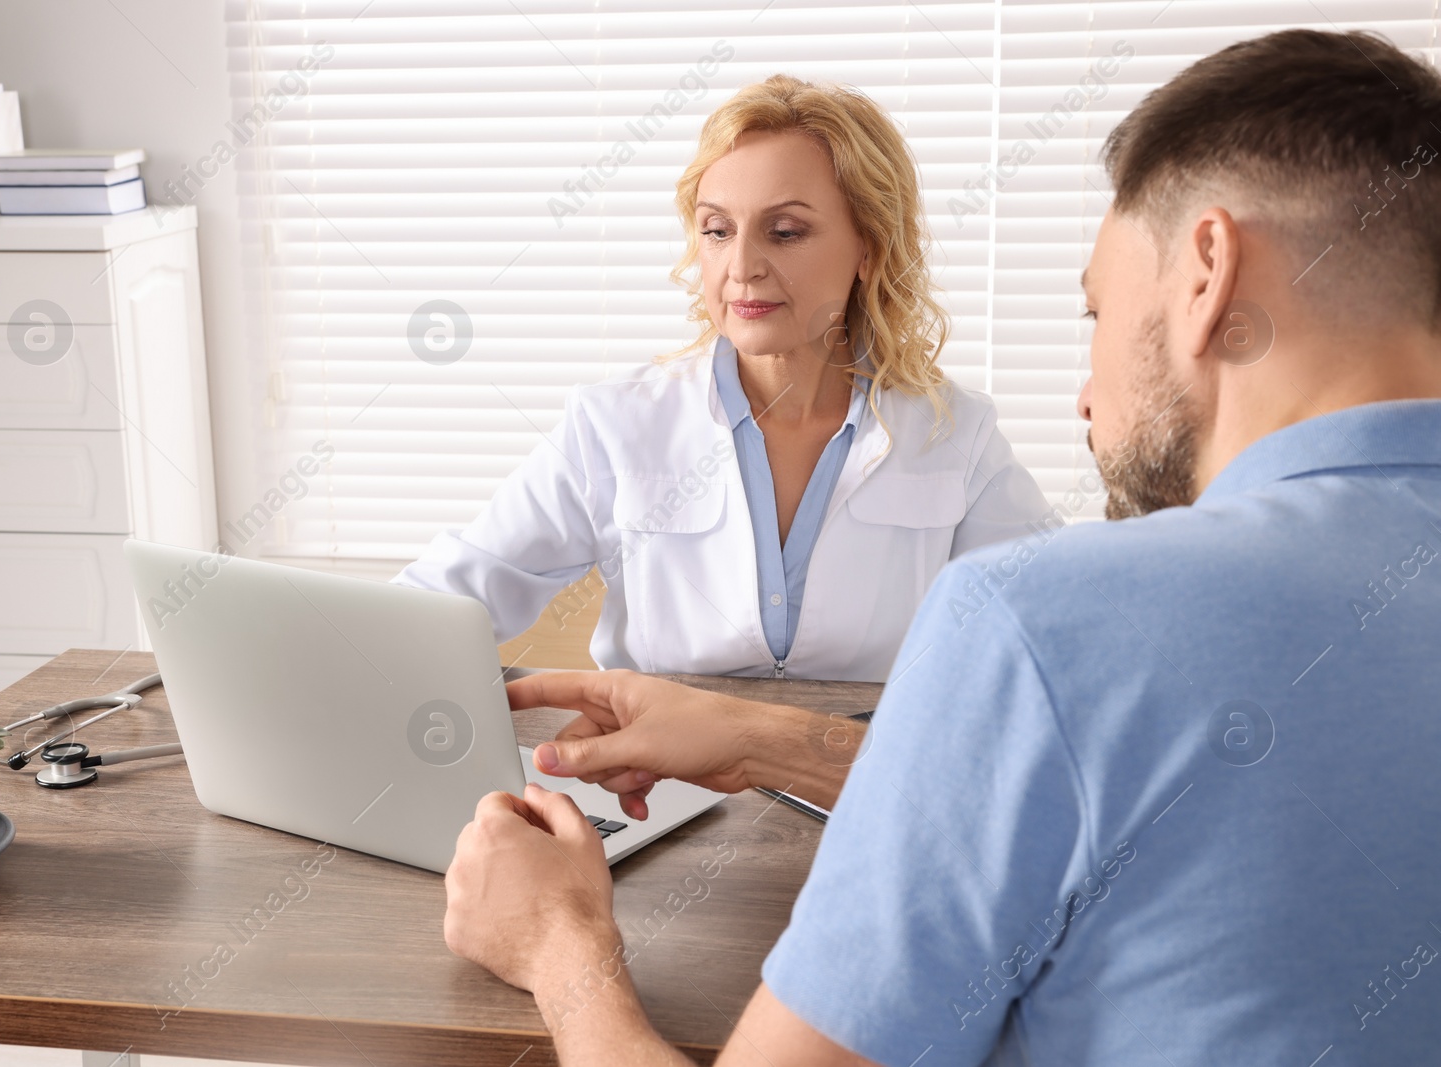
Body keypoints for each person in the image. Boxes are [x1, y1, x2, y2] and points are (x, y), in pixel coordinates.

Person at [441, 29, 1441, 1065]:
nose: (1086, 394)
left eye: (1097, 307)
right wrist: (763, 739)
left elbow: (1053, 727)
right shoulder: (619, 423)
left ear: (1206, 275)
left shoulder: (1036, 603)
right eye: (716, 230)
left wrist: (559, 947)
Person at [393, 75, 1048, 682]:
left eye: (784, 231)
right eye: (716, 230)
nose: (741, 267)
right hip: (661, 796)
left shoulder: (955, 435)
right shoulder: (615, 424)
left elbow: (1060, 622)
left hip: (861, 786)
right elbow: (446, 602)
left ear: (868, 248)